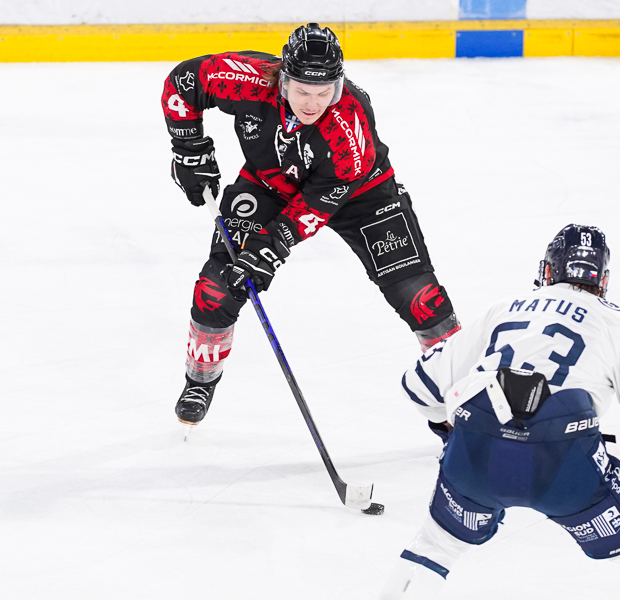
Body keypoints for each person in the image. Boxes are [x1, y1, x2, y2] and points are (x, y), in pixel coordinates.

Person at [379, 224, 620, 599]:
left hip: (476, 451)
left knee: (434, 547)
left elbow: (419, 386)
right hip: (565, 464)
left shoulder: (504, 309)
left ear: (548, 271)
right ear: (601, 279)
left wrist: (455, 432)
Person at [162, 23, 459, 427]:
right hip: (270, 183)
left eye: (325, 92)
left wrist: (271, 246)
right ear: (282, 79)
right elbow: (183, 82)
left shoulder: (349, 126)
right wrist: (190, 148)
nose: (313, 103)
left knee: (421, 298)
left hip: (361, 195)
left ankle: (464, 391)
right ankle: (200, 379)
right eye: (302, 90)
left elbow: (316, 203)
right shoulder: (246, 78)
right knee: (217, 288)